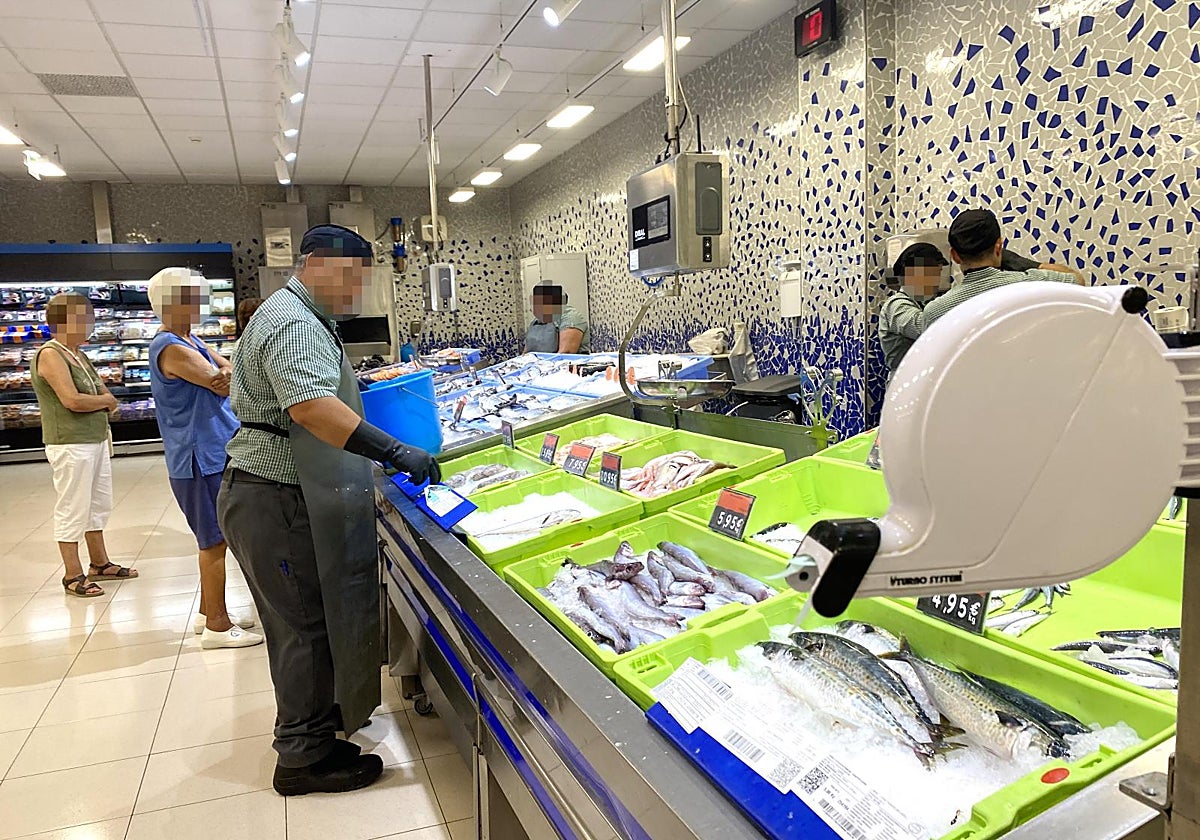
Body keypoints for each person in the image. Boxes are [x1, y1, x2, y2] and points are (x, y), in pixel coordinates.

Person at [218, 224, 439, 797]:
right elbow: (314, 408)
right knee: (303, 630)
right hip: (275, 497)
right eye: (354, 277)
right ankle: (301, 760)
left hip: (272, 491)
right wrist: (392, 450)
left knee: (302, 623)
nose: (358, 291)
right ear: (318, 264)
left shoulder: (295, 314)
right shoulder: (293, 321)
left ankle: (314, 732)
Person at [147, 268, 263, 650]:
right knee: (214, 541)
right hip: (198, 458)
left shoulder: (189, 339)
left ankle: (206, 612)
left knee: (217, 537)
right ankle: (217, 624)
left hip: (212, 451)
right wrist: (222, 372)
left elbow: (228, 370)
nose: (202, 303)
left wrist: (223, 371)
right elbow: (220, 376)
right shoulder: (172, 347)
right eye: (194, 296)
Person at [31, 293, 137, 597]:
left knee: (97, 503)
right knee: (72, 506)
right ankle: (72, 574)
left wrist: (104, 401)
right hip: (70, 443)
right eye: (86, 316)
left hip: (94, 439)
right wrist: (104, 401)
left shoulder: (77, 353)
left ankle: (99, 563)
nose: (91, 322)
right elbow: (72, 400)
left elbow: (105, 396)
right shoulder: (50, 354)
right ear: (68, 319)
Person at [919, 209, 1084, 332]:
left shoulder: (935, 312)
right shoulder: (1032, 284)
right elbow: (1077, 279)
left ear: (955, 256)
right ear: (999, 247)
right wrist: (1026, 264)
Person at [878, 242, 949, 379]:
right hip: (904, 381)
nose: (937, 281)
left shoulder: (924, 303)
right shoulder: (897, 305)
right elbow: (923, 326)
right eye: (934, 274)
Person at [523, 284, 590, 353]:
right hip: (536, 362)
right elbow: (526, 353)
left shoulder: (571, 317)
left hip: (562, 362)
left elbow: (566, 353)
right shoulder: (535, 322)